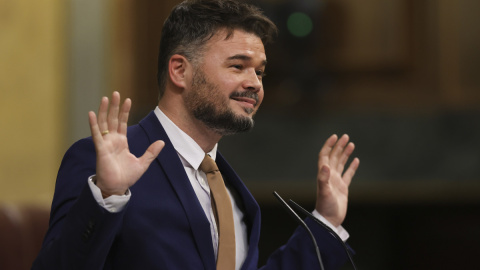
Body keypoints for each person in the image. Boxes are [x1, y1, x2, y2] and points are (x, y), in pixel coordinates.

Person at [33, 0, 359, 269]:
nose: (255, 83)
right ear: (180, 70)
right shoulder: (101, 160)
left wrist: (326, 222)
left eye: (259, 71)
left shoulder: (233, 191)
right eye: (237, 66)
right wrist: (106, 195)